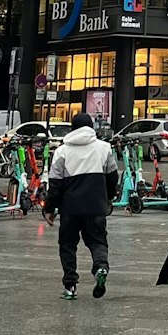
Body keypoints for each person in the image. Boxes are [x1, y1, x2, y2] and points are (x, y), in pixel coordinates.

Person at [44, 112, 121, 300]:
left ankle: (70, 286)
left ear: (73, 127)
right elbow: (113, 177)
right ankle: (100, 267)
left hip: (70, 208)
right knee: (97, 241)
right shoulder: (104, 148)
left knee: (68, 245)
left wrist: (49, 208)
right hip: (95, 206)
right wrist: (108, 198)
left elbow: (55, 184)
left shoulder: (62, 151)